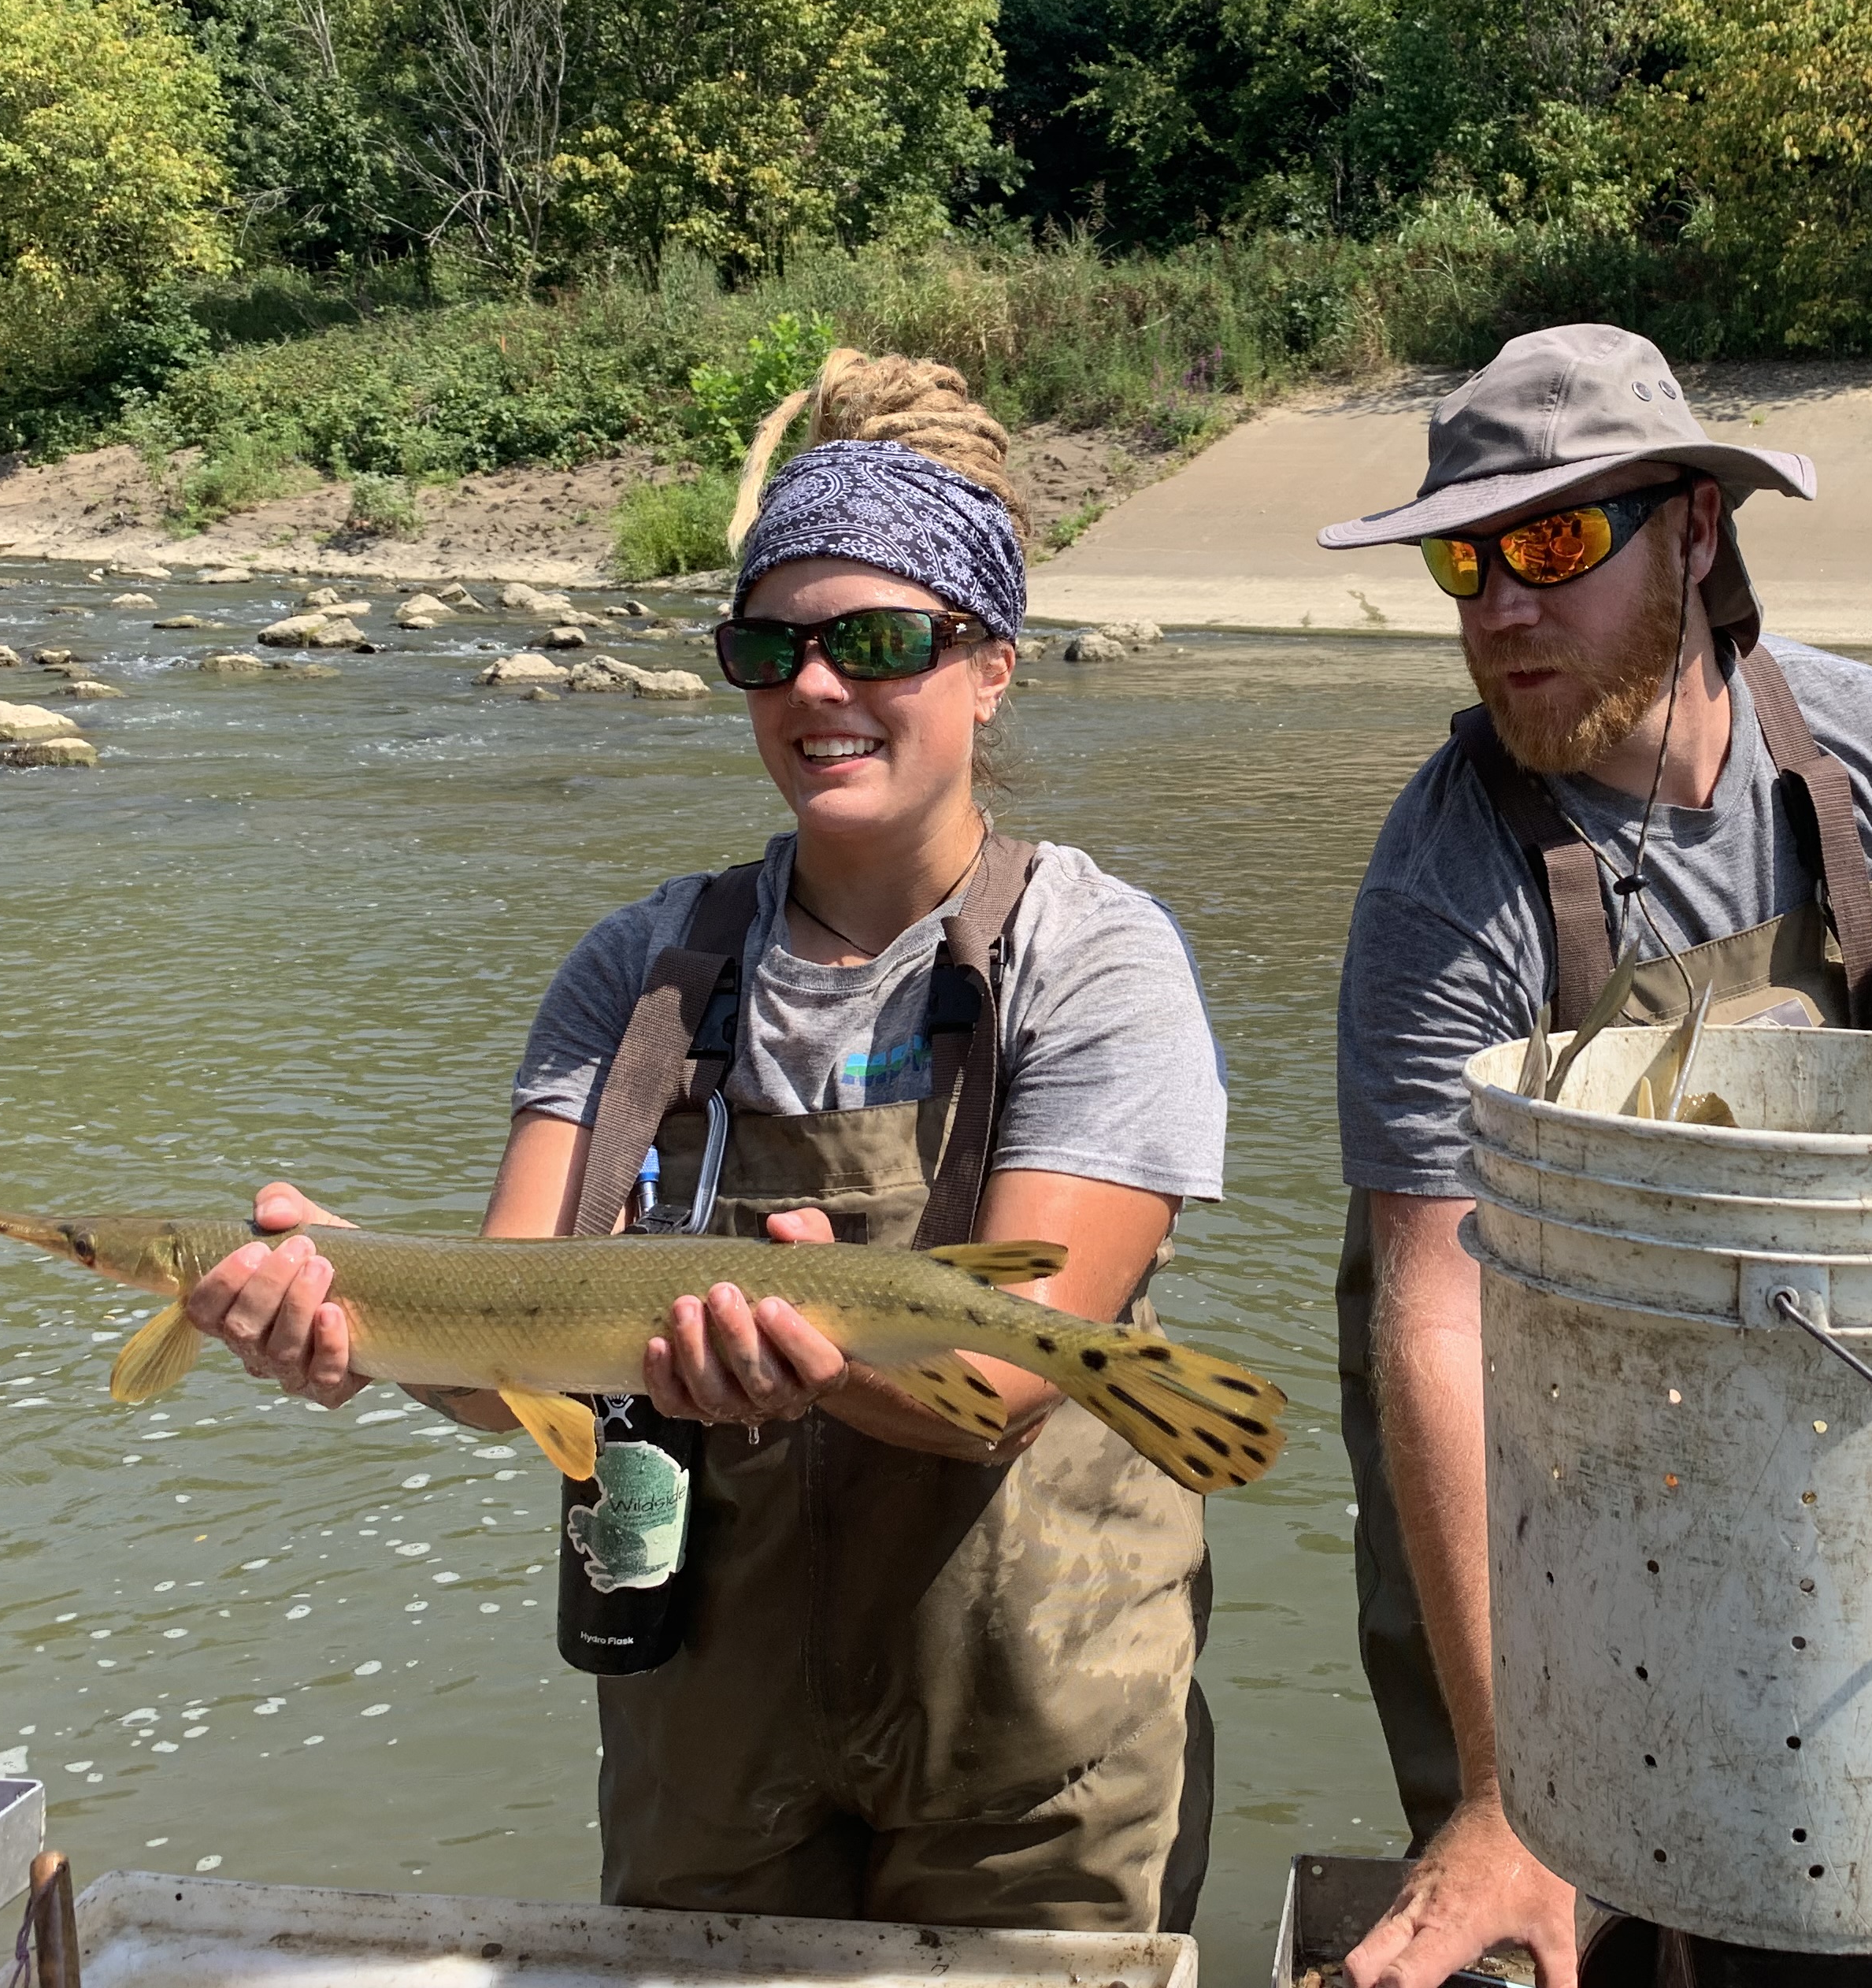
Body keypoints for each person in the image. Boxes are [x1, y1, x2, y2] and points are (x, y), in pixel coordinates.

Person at [178, 350, 1232, 1934]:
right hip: (707, 1733)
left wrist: (826, 1355)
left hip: (1036, 1734)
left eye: (877, 641)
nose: (816, 690)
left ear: (991, 661)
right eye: (770, 647)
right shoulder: (642, 978)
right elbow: (506, 1340)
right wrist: (349, 1316)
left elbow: (1009, 1388)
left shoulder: (1097, 961)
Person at [1316, 325, 1872, 1988]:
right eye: (1466, 561)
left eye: (1552, 544)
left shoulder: (1861, 757)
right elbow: (1432, 1315)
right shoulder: (1446, 883)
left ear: (1697, 532)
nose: (1500, 607)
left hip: (1820, 1475)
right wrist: (1503, 1788)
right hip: (1527, 1526)